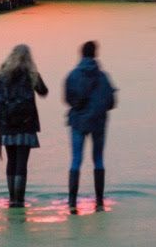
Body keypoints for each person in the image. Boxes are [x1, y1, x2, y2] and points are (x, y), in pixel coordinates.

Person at [64, 40, 117, 214]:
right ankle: (99, 201)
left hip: (78, 122)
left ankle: (72, 202)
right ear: (95, 54)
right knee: (98, 160)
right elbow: (111, 102)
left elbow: (67, 99)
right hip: (98, 123)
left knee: (76, 160)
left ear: (81, 54)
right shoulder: (103, 77)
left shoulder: (72, 75)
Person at [0, 44, 49, 208]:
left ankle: (12, 198)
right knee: (21, 163)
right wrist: (36, 75)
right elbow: (43, 91)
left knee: (11, 161)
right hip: (26, 124)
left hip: (7, 125)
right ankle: (20, 200)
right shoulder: (31, 74)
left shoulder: (2, 75)